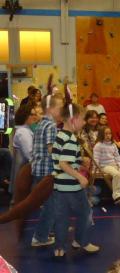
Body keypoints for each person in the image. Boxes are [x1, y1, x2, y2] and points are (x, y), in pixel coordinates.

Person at [52, 98, 100, 257]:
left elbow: (61, 159)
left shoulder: (60, 135)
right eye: (83, 119)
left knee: (61, 218)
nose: (85, 122)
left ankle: (59, 248)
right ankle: (82, 241)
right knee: (85, 213)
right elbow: (63, 163)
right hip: (72, 187)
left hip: (59, 187)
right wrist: (80, 176)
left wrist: (79, 162)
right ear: (73, 120)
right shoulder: (71, 139)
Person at [31, 92, 64, 247]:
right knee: (51, 206)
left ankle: (48, 230)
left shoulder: (41, 124)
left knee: (51, 204)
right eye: (60, 108)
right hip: (46, 171)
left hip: (39, 169)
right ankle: (40, 237)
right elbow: (52, 150)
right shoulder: (51, 126)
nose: (62, 111)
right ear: (50, 109)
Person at [10, 104, 37, 194]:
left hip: (24, 173)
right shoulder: (23, 132)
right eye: (32, 114)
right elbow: (30, 155)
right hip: (23, 174)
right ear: (25, 116)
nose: (35, 117)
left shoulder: (26, 130)